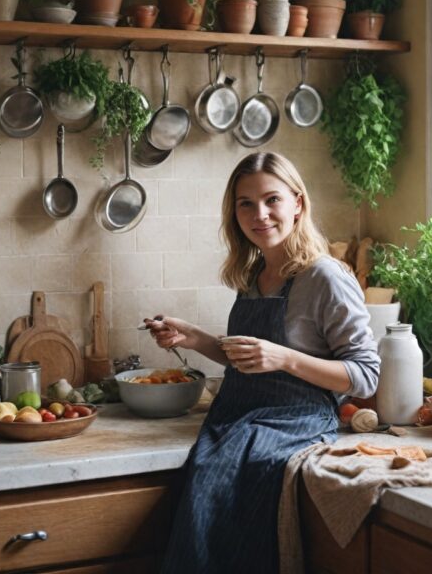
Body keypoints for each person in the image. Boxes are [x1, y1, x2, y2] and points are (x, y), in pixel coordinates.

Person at [143, 152, 380, 573]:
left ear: (298, 203)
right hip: (237, 415)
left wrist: (286, 358)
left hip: (296, 420)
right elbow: (247, 360)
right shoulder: (254, 274)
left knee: (215, 488)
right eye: (246, 203)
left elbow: (365, 375)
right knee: (200, 478)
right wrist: (194, 337)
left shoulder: (325, 276)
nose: (261, 214)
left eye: (272, 200)